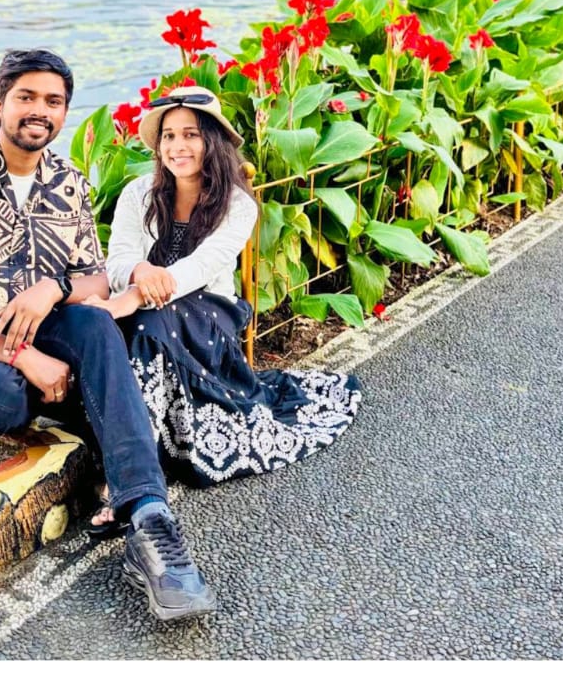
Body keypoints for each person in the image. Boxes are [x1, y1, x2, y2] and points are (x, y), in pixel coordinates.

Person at [0, 50, 216, 622]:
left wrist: (52, 287)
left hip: (34, 324)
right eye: (26, 97)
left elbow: (93, 280)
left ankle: (148, 516)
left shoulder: (67, 183)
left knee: (94, 322)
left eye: (53, 101)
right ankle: (70, 404)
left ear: (64, 112)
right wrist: (23, 356)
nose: (39, 110)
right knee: (2, 398)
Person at [83, 86, 361, 523]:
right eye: (169, 136)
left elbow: (200, 267)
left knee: (145, 325)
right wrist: (138, 271)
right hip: (146, 308)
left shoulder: (236, 204)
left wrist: (136, 295)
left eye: (190, 135)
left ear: (211, 140)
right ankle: (136, 463)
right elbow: (117, 259)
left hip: (209, 313)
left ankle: (127, 481)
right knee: (113, 327)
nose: (177, 146)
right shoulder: (138, 193)